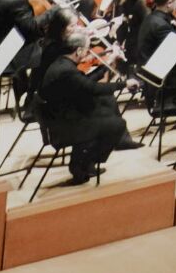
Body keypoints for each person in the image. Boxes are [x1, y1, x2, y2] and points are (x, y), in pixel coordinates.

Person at [32, 19, 133, 184]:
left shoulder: (62, 62)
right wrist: (123, 84)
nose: (87, 54)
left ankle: (85, 159)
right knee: (117, 124)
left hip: (60, 113)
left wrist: (107, 64)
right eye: (86, 51)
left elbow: (84, 83)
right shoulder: (66, 71)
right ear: (78, 51)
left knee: (106, 104)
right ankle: (82, 163)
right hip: (63, 125)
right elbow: (92, 88)